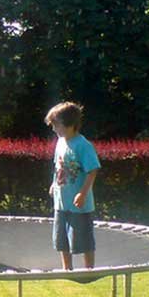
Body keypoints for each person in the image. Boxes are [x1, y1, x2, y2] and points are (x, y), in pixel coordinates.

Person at [45, 101, 101, 269]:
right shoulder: (61, 142)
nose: (54, 129)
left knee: (83, 239)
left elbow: (92, 170)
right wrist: (53, 184)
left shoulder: (83, 145)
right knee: (61, 239)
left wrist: (83, 193)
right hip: (61, 202)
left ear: (70, 124)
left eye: (57, 125)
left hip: (79, 205)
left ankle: (89, 270)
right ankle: (66, 269)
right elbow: (58, 166)